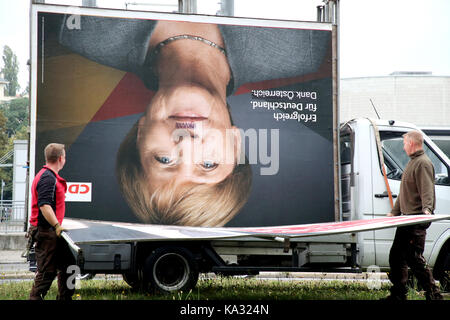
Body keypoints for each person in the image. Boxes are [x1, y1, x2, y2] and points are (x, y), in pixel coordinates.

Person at [58, 17, 330, 226]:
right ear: (236, 144)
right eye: (208, 164)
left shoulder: (85, 32)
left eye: (164, 160)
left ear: (140, 133)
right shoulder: (301, 48)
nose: (186, 142)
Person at [385, 131, 443, 300]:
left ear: (411, 143)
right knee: (396, 256)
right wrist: (394, 213)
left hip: (416, 220)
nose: (403, 147)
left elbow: (427, 190)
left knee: (414, 259)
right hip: (406, 220)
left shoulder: (423, 163)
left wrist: (427, 210)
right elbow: (405, 193)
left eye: (404, 143)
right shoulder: (412, 162)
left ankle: (434, 294)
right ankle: (398, 294)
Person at [29, 143, 76, 300]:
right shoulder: (47, 178)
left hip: (54, 232)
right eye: (65, 156)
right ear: (61, 158)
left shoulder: (49, 176)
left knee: (70, 267)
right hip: (46, 232)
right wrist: (56, 225)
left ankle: (65, 297)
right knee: (46, 274)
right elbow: (44, 205)